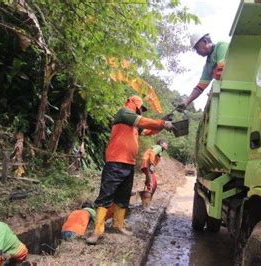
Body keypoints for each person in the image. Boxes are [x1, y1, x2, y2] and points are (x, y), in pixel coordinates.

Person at [86, 95, 174, 245]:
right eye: (140, 109)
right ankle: (97, 231)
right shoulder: (123, 113)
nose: (141, 112)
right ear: (133, 104)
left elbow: (147, 130)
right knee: (106, 195)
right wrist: (162, 123)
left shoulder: (133, 126)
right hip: (115, 162)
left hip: (129, 164)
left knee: (123, 196)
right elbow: (142, 121)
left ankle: (117, 225)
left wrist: (161, 124)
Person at [176, 33, 229, 111]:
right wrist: (186, 102)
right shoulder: (208, 63)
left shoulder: (221, 46)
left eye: (197, 48)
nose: (197, 52)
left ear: (205, 41)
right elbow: (200, 87)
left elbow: (223, 69)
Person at [140, 139, 168, 212]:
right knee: (151, 184)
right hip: (148, 164)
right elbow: (152, 153)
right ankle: (145, 206)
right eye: (166, 143)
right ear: (161, 144)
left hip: (148, 165)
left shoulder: (160, 150)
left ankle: (148, 204)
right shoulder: (159, 147)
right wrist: (152, 164)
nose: (167, 145)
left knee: (154, 184)